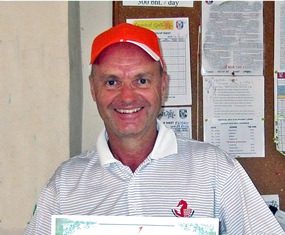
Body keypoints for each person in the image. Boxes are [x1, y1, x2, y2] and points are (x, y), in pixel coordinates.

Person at [24, 23, 284, 235]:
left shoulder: (215, 169)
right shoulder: (66, 183)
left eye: (142, 80)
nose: (127, 97)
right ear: (93, 89)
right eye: (112, 81)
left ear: (163, 86)